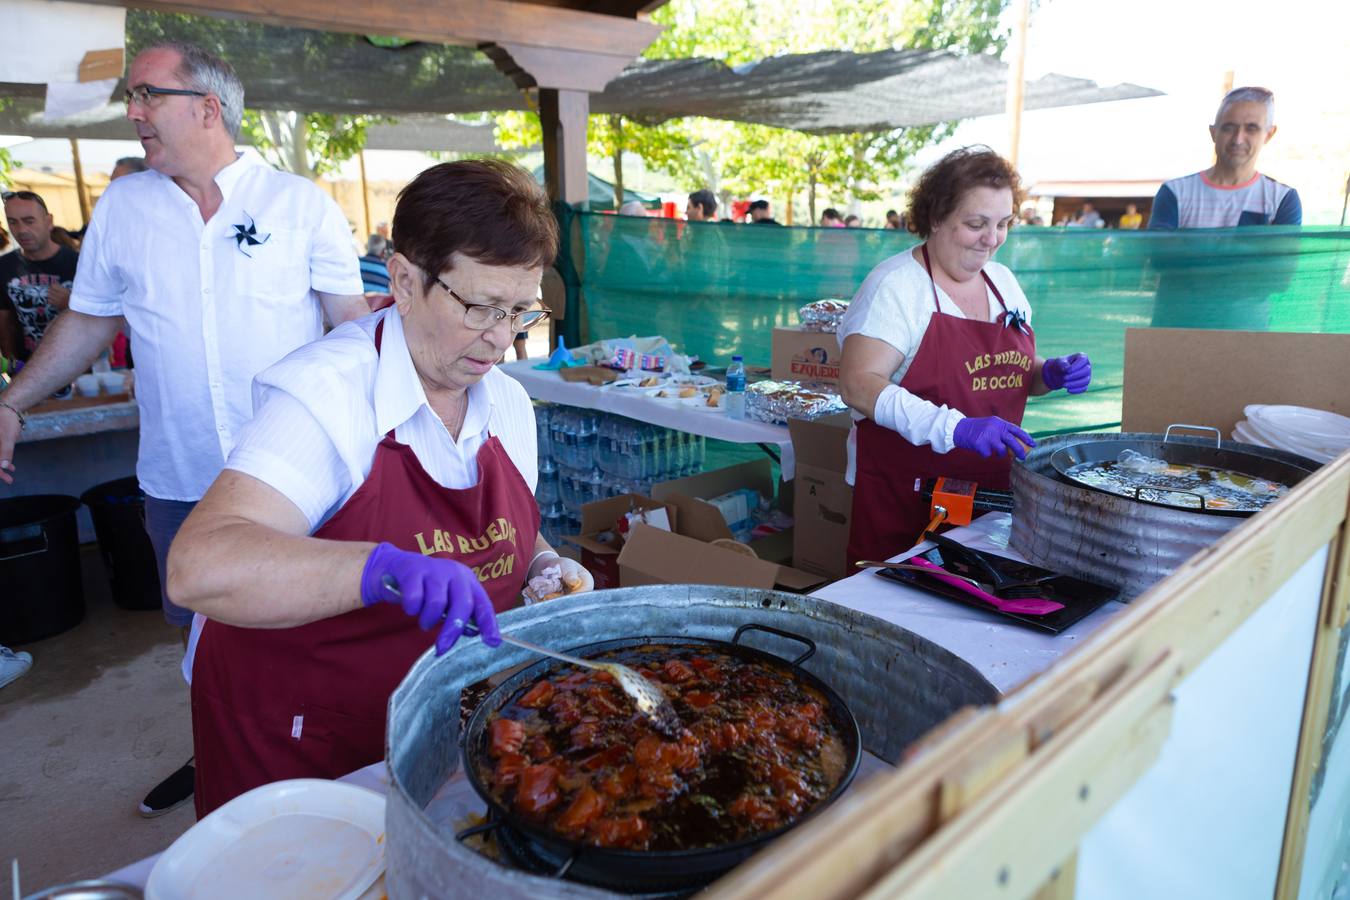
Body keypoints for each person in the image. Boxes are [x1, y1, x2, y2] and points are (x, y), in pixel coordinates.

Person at [0, 40, 367, 818]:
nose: (133, 113)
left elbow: (352, 335)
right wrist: (12, 403)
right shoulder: (126, 209)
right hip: (179, 478)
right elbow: (89, 321)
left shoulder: (298, 204)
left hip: (297, 478)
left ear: (208, 107)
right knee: (203, 641)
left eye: (146, 96)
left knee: (309, 628)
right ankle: (223, 758)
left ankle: (318, 761)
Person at [165, 159, 593, 816]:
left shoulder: (504, 403)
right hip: (297, 739)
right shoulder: (326, 395)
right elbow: (200, 567)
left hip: (427, 718)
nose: (501, 339)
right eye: (479, 306)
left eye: (519, 312)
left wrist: (540, 563)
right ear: (404, 280)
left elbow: (513, 524)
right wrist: (377, 568)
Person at [836, 147, 1092, 563]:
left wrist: (1049, 373)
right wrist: (955, 428)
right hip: (905, 496)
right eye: (976, 224)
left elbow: (1008, 374)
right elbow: (858, 384)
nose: (992, 239)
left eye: (1004, 224)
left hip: (990, 497)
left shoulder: (1002, 282)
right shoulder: (897, 287)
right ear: (936, 217)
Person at [1149, 87, 1300, 229]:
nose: (1238, 139)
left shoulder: (1282, 199)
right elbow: (1160, 254)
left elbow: (1284, 257)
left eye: (1251, 129)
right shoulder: (1175, 193)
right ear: (1213, 132)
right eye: (1228, 128)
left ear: (1269, 134)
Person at [0, 190, 79, 362]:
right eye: (12, 222)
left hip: (78, 368)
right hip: (28, 371)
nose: (21, 230)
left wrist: (73, 304)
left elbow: (107, 318)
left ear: (48, 221)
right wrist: (13, 369)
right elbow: (4, 324)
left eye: (29, 221)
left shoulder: (80, 264)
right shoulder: (4, 266)